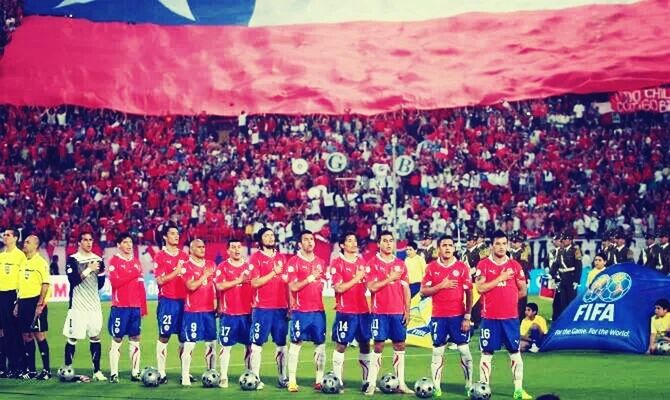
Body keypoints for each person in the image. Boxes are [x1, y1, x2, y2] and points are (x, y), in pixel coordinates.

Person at [474, 230, 532, 400]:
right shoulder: (483, 265)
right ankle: (484, 389)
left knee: (515, 353)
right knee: (487, 354)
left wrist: (508, 297)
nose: (501, 247)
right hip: (490, 318)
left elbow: (523, 290)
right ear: (492, 245)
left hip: (510, 318)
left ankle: (518, 390)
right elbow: (480, 288)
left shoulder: (515, 265)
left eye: (503, 243)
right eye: (497, 243)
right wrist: (500, 278)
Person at [420, 235, 473, 398]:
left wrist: (467, 316)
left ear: (454, 248)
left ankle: (469, 384)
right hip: (438, 317)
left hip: (458, 316)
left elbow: (469, 292)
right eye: (444, 245)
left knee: (464, 351)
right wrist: (441, 285)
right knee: (437, 352)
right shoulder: (431, 268)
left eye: (451, 245)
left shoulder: (462, 267)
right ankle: (436, 387)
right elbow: (423, 291)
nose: (448, 248)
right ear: (439, 249)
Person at [364, 230, 413, 395]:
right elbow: (371, 287)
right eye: (384, 241)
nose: (388, 244)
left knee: (400, 345)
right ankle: (371, 383)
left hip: (398, 312)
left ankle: (401, 384)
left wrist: (408, 309)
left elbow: (406, 289)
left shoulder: (401, 264)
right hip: (380, 313)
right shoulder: (372, 263)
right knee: (378, 345)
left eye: (391, 240)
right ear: (378, 244)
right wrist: (390, 278)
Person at [286, 230, 327, 392]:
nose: (310, 242)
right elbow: (293, 286)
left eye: (312, 239)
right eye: (306, 239)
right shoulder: (293, 262)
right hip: (300, 311)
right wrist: (311, 277)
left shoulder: (321, 262)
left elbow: (322, 283)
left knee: (320, 345)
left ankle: (319, 380)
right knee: (296, 344)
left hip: (318, 311)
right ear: (299, 244)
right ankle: (292, 380)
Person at [248, 227, 289, 390]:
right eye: (266, 235)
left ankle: (283, 377)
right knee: (257, 344)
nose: (271, 238)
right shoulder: (255, 258)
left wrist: (290, 306)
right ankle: (255, 377)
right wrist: (273, 272)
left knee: (281, 344)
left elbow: (286, 283)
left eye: (272, 235)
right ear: (260, 240)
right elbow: (255, 282)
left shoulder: (282, 258)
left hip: (281, 309)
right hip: (262, 309)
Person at [62, 232, 107, 381]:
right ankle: (67, 369)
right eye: (85, 240)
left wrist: (99, 273)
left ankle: (97, 371)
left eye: (90, 240)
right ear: (79, 242)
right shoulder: (73, 259)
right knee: (72, 337)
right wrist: (88, 269)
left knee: (95, 337)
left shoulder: (98, 259)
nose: (88, 243)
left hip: (94, 306)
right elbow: (73, 280)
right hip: (77, 306)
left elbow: (100, 285)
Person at [330, 232, 371, 392]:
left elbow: (367, 286)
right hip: (346, 311)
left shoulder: (362, 262)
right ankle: (337, 381)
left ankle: (366, 381)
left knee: (365, 345)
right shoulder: (337, 263)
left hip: (363, 311)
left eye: (355, 240)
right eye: (349, 240)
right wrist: (357, 277)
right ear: (342, 245)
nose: (353, 243)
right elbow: (339, 288)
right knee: (341, 345)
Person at [153, 224, 190, 384]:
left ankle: (185, 373)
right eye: (173, 233)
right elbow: (160, 280)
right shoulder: (160, 256)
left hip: (185, 302)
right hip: (167, 301)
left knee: (185, 338)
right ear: (165, 237)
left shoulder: (185, 255)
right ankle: (161, 373)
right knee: (164, 336)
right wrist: (177, 270)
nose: (176, 236)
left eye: (177, 233)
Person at [107, 233, 146, 383]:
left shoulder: (136, 262)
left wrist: (143, 306)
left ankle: (135, 372)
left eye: (130, 242)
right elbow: (115, 283)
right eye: (125, 242)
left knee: (135, 339)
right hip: (120, 307)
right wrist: (132, 274)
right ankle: (114, 373)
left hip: (135, 307)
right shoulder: (114, 261)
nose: (129, 245)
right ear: (118, 245)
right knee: (117, 339)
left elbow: (141, 286)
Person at [215, 238, 252, 388]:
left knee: (250, 346)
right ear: (228, 251)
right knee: (226, 346)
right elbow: (219, 285)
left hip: (248, 314)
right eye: (233, 247)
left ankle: (250, 375)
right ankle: (223, 377)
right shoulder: (222, 267)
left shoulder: (250, 267)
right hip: (229, 313)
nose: (237, 249)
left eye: (239, 246)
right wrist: (239, 280)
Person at [180, 239, 218, 386]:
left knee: (211, 344)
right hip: (193, 311)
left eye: (204, 246)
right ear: (191, 249)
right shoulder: (186, 266)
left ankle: (212, 373)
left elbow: (214, 286)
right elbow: (190, 286)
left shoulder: (211, 264)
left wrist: (216, 301)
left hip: (209, 311)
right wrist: (204, 276)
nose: (202, 249)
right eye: (199, 247)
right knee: (190, 344)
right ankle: (185, 376)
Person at [15, 234, 51, 379]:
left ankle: (46, 370)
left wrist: (40, 304)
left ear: (35, 245)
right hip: (23, 301)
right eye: (24, 242)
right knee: (26, 336)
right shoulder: (23, 263)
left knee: (39, 335)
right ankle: (31, 370)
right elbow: (21, 286)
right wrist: (17, 304)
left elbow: (45, 284)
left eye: (28, 242)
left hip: (35, 302)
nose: (25, 244)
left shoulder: (41, 262)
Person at [0, 227, 27, 378]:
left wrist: (18, 300)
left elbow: (22, 280)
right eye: (4, 235)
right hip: (0, 295)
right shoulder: (1, 256)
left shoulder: (20, 256)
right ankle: (3, 367)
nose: (5, 237)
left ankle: (17, 367)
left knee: (13, 333)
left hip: (12, 296)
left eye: (8, 235)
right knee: (2, 332)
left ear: (16, 238)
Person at [552, 232, 582, 319]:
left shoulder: (575, 250)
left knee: (571, 301)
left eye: (564, 239)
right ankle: (565, 320)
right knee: (563, 302)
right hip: (562, 278)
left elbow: (578, 266)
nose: (563, 241)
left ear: (570, 240)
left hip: (571, 278)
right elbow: (556, 264)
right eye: (562, 240)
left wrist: (577, 281)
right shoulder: (561, 251)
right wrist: (551, 275)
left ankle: (572, 319)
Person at [510, 232, 531, 321]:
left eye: (516, 242)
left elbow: (524, 267)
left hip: (521, 279)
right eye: (513, 242)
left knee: (522, 300)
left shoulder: (523, 252)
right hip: (512, 279)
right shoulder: (510, 253)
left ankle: (521, 318)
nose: (513, 244)